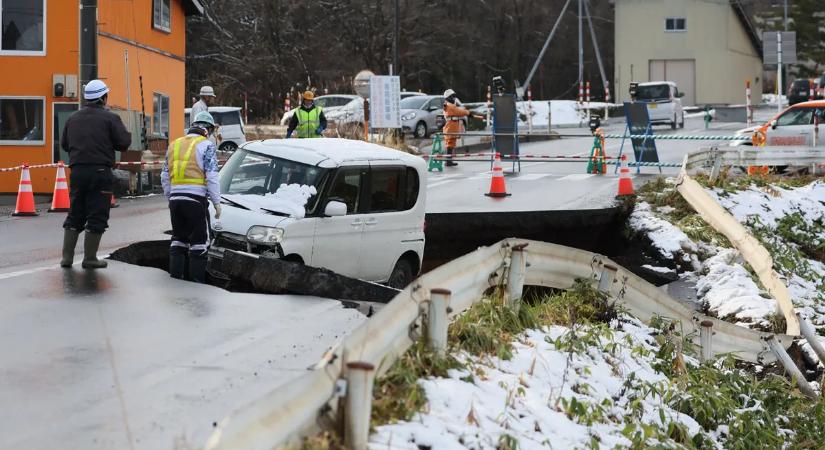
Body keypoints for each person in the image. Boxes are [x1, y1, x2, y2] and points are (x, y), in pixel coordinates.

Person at [59, 79, 132, 269]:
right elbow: (123, 143)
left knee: (75, 212)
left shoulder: (73, 118)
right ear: (103, 98)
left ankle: (66, 258)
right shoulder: (110, 118)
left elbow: (65, 144)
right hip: (100, 172)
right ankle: (89, 258)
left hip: (77, 171)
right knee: (97, 213)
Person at [161, 111, 222, 283]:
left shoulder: (174, 144)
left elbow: (164, 177)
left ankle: (176, 279)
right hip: (195, 200)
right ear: (207, 129)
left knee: (179, 239)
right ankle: (196, 284)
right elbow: (211, 176)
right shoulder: (206, 145)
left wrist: (171, 197)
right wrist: (217, 203)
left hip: (175, 200)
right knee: (200, 242)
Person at [442, 89, 470, 166]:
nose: (454, 98)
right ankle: (448, 161)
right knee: (450, 144)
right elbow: (459, 112)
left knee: (451, 143)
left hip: (451, 126)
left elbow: (458, 111)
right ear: (448, 97)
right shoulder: (450, 106)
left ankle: (449, 160)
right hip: (451, 126)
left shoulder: (448, 105)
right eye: (452, 97)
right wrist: (468, 112)